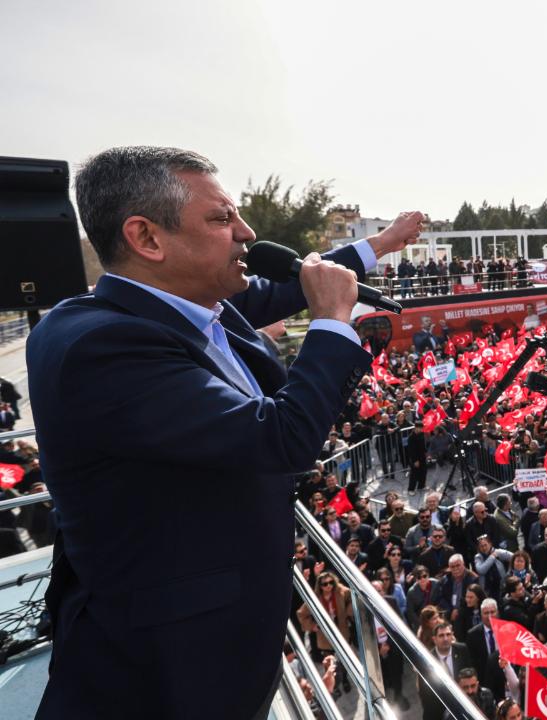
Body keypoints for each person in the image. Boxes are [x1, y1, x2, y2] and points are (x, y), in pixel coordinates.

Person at [27, 146, 423, 719]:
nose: (247, 232)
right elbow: (278, 441)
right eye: (221, 219)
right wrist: (333, 323)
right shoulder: (102, 345)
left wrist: (378, 246)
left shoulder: (189, 302)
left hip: (221, 634)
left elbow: (288, 285)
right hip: (164, 663)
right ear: (147, 238)